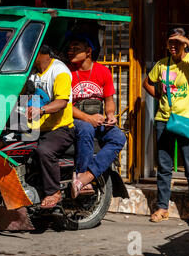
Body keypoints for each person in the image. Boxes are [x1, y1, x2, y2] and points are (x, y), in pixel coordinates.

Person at [143, 27, 189, 227]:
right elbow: (147, 83)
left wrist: (186, 42)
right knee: (164, 167)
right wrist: (159, 93)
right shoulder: (162, 65)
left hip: (187, 121)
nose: (173, 46)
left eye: (177, 43)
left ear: (184, 43)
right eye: (170, 42)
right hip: (164, 120)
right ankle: (162, 207)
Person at [66, 34, 126, 198]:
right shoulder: (66, 73)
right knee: (85, 128)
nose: (70, 51)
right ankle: (81, 171)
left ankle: (86, 177)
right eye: (69, 48)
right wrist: (87, 118)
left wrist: (111, 115)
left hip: (98, 119)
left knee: (119, 137)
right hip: (77, 119)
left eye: (76, 48)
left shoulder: (102, 71)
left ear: (88, 51)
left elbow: (109, 100)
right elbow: (65, 105)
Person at [26, 45, 75, 209]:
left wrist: (41, 110)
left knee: (44, 151)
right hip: (34, 127)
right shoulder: (31, 72)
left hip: (60, 128)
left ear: (41, 52)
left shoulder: (59, 70)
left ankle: (53, 192)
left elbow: (61, 102)